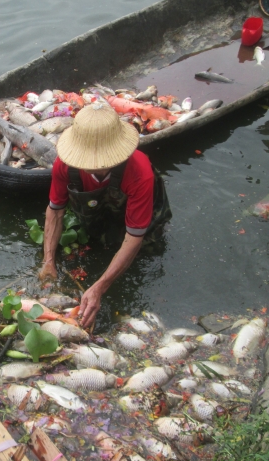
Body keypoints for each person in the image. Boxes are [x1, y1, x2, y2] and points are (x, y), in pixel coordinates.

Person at [38, 102, 171, 328]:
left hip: (141, 216)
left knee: (148, 248)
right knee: (98, 239)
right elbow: (56, 212)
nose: (91, 165)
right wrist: (48, 261)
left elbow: (134, 236)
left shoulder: (139, 172)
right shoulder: (64, 165)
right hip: (97, 207)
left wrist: (100, 286)